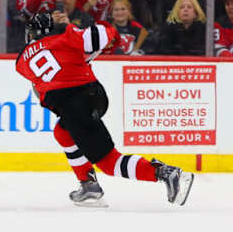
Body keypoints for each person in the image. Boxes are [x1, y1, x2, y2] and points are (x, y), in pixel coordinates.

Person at [15, 12, 194, 207]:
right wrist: (75, 27)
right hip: (92, 97)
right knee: (62, 132)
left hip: (77, 106)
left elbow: (52, 70)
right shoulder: (67, 37)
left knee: (110, 163)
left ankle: (167, 173)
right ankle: (88, 185)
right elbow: (103, 36)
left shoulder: (21, 61)